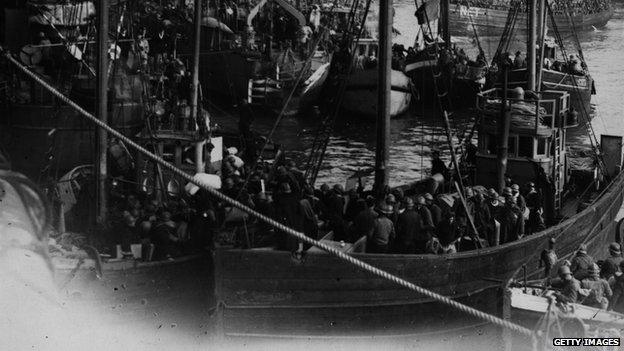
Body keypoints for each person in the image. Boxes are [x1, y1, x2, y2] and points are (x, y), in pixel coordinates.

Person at [274, 183, 304, 252]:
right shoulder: (295, 197)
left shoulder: (280, 200)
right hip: (296, 221)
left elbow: (278, 213)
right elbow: (301, 211)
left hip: (286, 222)